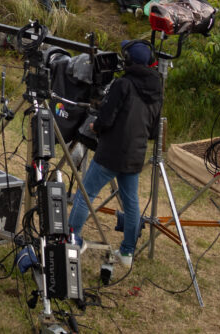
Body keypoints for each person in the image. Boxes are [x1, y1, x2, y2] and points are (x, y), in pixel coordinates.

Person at [67, 40, 162, 267]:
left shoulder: (123, 84)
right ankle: (127, 252)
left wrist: (95, 126)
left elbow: (106, 118)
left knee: (86, 194)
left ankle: (71, 239)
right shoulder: (158, 88)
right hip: (135, 155)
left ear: (128, 61)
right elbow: (153, 131)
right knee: (131, 204)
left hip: (111, 152)